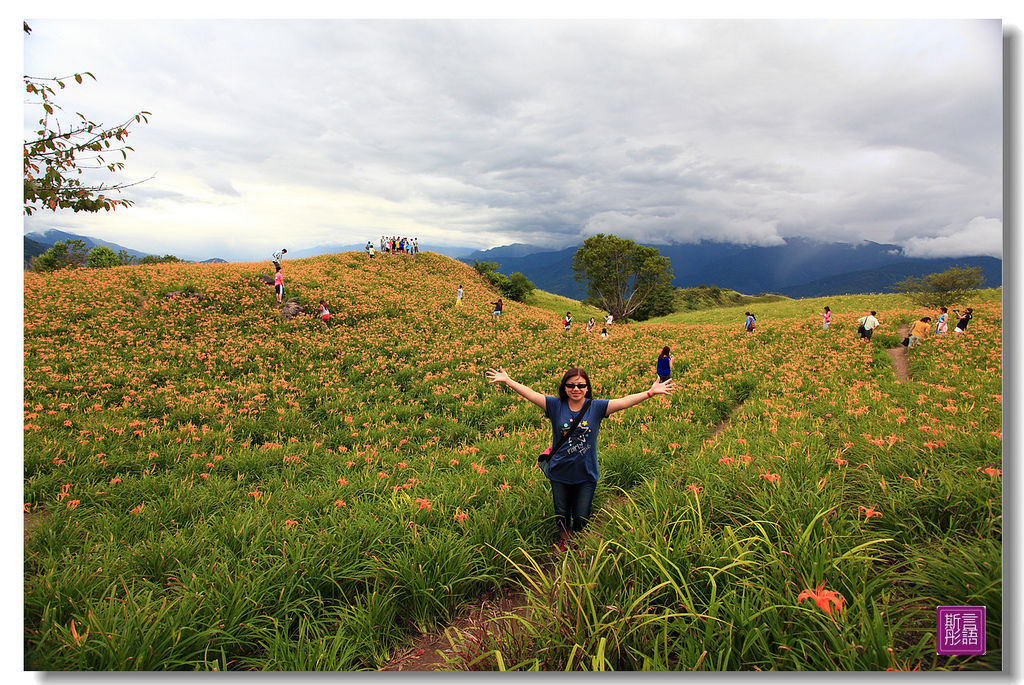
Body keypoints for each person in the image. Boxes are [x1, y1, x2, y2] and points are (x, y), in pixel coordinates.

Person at [485, 366, 676, 551]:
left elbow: (624, 401)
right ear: (564, 387)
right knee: (561, 511)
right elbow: (531, 393)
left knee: (581, 515)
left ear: (587, 387)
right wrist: (509, 381)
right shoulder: (554, 405)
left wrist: (650, 392)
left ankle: (578, 538)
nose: (576, 389)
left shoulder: (596, 407)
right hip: (559, 471)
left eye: (581, 385)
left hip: (586, 472)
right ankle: (564, 539)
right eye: (571, 385)